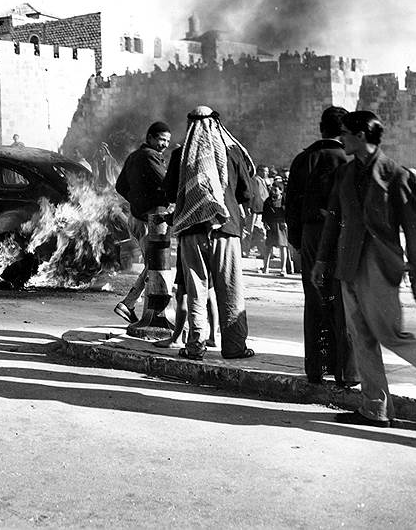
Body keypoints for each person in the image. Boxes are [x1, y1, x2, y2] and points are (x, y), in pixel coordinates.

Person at [312, 110, 416, 427]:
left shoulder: (397, 175)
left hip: (380, 265)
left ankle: (376, 408)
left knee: (392, 335)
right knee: (360, 336)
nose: (341, 138)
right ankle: (375, 409)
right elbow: (333, 220)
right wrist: (322, 260)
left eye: (345, 133)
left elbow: (415, 229)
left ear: (361, 136)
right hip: (348, 264)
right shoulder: (345, 174)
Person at [165, 106, 255, 361]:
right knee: (230, 288)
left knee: (196, 289)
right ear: (217, 125)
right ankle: (235, 346)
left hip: (191, 231)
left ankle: (195, 346)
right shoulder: (232, 152)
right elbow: (246, 194)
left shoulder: (182, 154)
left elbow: (170, 193)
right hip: (226, 230)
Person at [286, 106, 357, 386]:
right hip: (341, 235)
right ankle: (347, 373)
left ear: (321, 128)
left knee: (315, 301)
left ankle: (315, 369)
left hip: (311, 235)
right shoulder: (348, 160)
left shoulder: (303, 159)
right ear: (344, 131)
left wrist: (296, 241)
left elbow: (290, 205)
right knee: (344, 302)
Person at [114, 121, 172, 322]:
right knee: (156, 265)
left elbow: (120, 186)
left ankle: (138, 307)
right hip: (151, 220)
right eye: (161, 139)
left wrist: (137, 200)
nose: (164, 144)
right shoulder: (151, 157)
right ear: (150, 138)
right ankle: (133, 306)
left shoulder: (133, 157)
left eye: (167, 141)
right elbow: (167, 185)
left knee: (152, 264)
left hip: (136, 217)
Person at [261, 182, 290, 275]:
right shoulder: (268, 201)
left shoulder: (285, 200)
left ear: (281, 191)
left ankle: (283, 268)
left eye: (275, 190)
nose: (273, 192)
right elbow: (264, 214)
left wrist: (286, 222)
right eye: (272, 190)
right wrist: (265, 223)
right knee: (268, 247)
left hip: (281, 225)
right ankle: (265, 268)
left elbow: (289, 213)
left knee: (283, 247)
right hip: (271, 225)